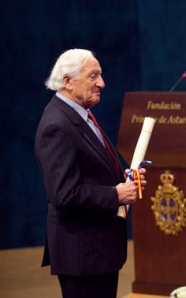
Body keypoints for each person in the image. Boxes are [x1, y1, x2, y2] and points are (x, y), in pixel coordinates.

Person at [34, 48, 147, 298]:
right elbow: (64, 194)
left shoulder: (80, 114)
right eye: (93, 76)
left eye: (100, 75)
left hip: (97, 251)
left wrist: (123, 179)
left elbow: (91, 171)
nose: (102, 83)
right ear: (67, 81)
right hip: (83, 254)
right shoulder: (57, 125)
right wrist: (116, 194)